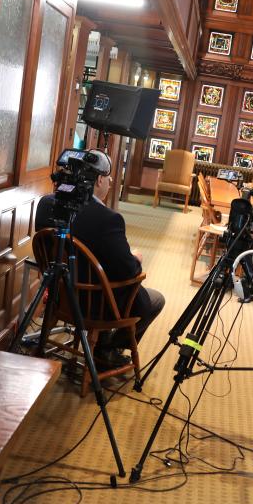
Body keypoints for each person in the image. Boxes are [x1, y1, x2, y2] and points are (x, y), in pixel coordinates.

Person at [35, 149, 165, 368]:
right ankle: (107, 351)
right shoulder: (108, 219)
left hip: (59, 296)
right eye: (109, 177)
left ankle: (102, 345)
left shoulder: (46, 204)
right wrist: (136, 258)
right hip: (94, 305)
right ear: (99, 180)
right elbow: (128, 271)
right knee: (155, 300)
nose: (112, 181)